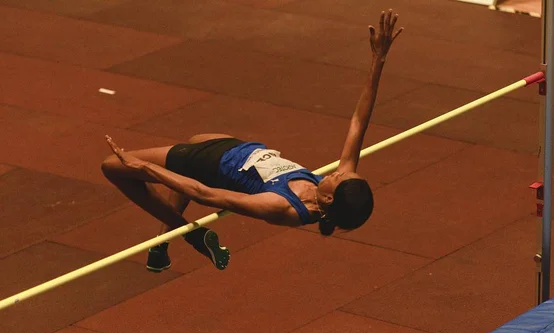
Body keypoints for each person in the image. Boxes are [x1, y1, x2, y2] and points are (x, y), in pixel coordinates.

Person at [102, 9, 403, 272]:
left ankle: (187, 234)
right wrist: (378, 62)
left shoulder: (281, 207)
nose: (336, 171)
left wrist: (144, 168)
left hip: (213, 164)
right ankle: (162, 244)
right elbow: (358, 121)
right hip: (237, 148)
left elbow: (205, 193)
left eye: (336, 178)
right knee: (194, 139)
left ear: (327, 199)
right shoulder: (333, 192)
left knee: (114, 166)